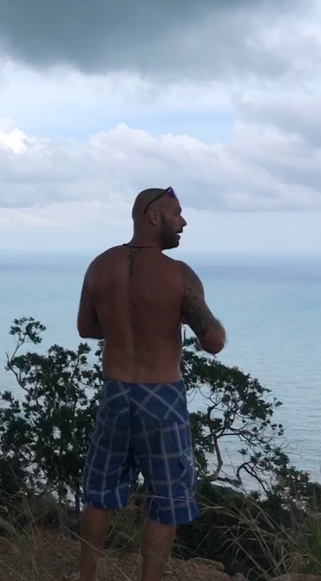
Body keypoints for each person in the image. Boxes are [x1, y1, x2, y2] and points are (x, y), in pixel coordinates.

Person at [76, 187, 226, 581]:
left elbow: (86, 327)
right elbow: (213, 342)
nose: (183, 222)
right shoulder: (179, 275)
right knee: (166, 499)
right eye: (177, 213)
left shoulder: (99, 266)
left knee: (99, 494)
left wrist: (125, 326)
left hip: (115, 392)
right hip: (162, 398)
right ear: (154, 216)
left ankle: (87, 576)